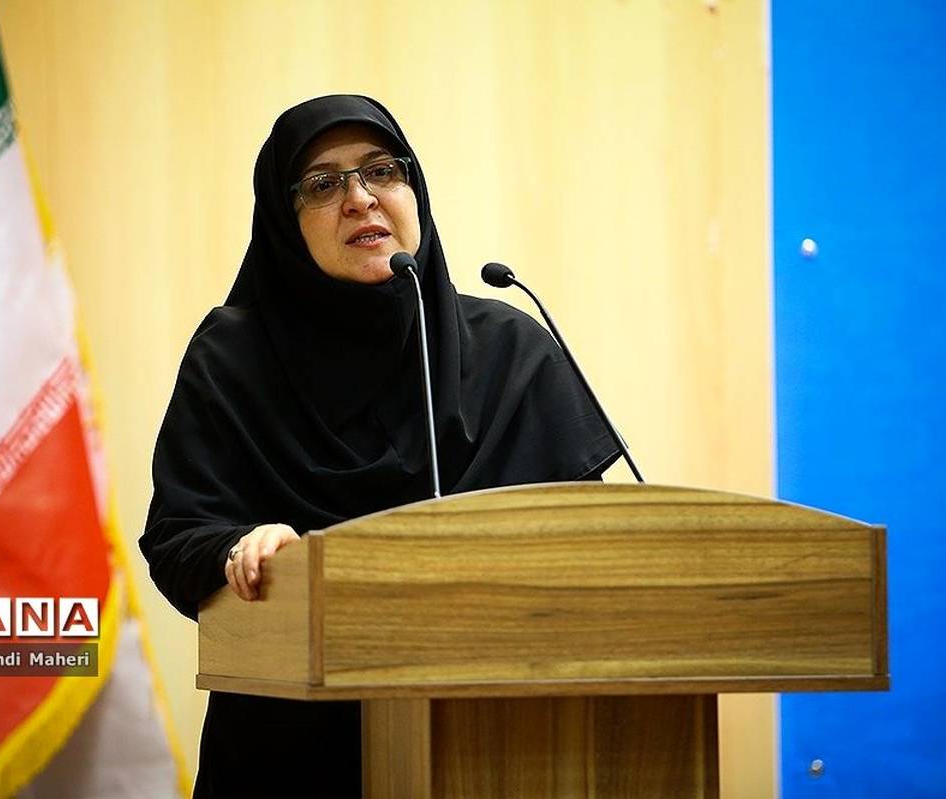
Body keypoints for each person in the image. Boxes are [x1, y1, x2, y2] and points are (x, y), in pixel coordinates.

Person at [140, 94, 620, 796]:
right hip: (290, 755)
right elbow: (176, 536)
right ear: (283, 219)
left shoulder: (511, 353)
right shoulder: (234, 358)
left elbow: (587, 547)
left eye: (382, 170)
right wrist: (238, 548)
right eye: (323, 183)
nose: (360, 198)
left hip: (503, 751)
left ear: (413, 189)